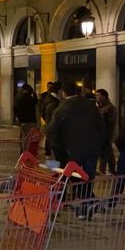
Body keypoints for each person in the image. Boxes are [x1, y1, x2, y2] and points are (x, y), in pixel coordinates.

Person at [47, 81, 105, 219]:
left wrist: (59, 152)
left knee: (76, 178)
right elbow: (101, 127)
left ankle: (89, 203)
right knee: (87, 178)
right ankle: (86, 208)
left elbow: (52, 132)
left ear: (63, 92)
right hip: (91, 150)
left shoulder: (61, 109)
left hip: (71, 152)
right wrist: (99, 145)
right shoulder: (91, 106)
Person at [96, 89, 117, 175]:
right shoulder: (98, 107)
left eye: (98, 95)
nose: (96, 97)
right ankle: (111, 169)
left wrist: (108, 136)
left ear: (104, 97)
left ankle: (103, 169)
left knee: (105, 151)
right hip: (99, 134)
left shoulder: (110, 108)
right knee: (108, 151)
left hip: (105, 134)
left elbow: (111, 124)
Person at [41, 81, 62, 162]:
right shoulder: (55, 103)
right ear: (59, 90)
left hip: (49, 128)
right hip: (54, 133)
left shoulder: (47, 99)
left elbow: (42, 113)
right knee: (56, 159)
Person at [14, 83, 38, 151]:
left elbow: (15, 108)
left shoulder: (18, 97)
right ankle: (26, 152)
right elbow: (35, 101)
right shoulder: (28, 97)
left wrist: (18, 118)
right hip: (30, 121)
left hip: (22, 121)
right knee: (28, 138)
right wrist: (35, 95)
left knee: (23, 137)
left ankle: (23, 150)